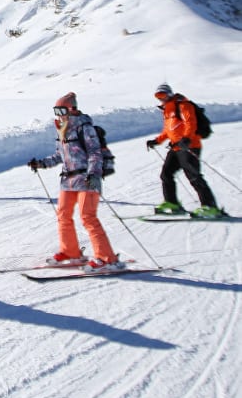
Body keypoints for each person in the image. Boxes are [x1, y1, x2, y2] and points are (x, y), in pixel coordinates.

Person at [28, 92, 123, 272]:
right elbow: (59, 156)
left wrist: (94, 173)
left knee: (88, 217)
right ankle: (70, 251)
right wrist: (41, 164)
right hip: (68, 180)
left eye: (61, 110)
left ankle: (107, 258)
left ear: (72, 108)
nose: (58, 114)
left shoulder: (84, 128)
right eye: (56, 110)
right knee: (63, 216)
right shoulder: (62, 129)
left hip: (86, 178)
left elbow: (95, 153)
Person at [146, 84, 222, 217]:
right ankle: (172, 203)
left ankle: (210, 207)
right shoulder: (167, 110)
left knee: (194, 176)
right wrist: (157, 141)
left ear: (169, 94)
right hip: (176, 147)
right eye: (158, 97)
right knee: (166, 174)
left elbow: (190, 123)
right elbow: (168, 130)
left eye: (163, 95)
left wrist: (187, 139)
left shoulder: (183, 105)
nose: (161, 99)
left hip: (189, 146)